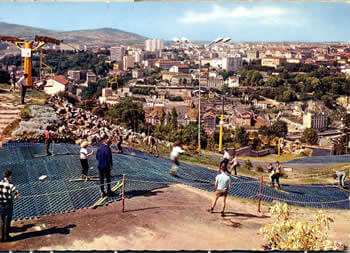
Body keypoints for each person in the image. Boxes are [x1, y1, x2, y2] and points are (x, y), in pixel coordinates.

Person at [0, 170, 20, 242]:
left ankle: (1, 237)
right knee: (7, 220)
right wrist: (15, 197)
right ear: (9, 176)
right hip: (8, 204)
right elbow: (17, 193)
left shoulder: (0, 183)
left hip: (1, 204)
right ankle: (6, 237)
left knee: (2, 220)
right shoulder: (11, 185)